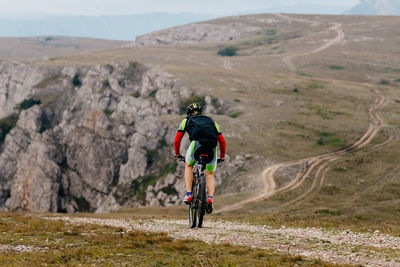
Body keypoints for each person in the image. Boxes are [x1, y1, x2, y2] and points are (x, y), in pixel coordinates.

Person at [174, 103, 226, 214]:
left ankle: (189, 195)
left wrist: (178, 153)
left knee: (188, 165)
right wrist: (222, 157)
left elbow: (177, 140)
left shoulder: (186, 120)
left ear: (188, 112)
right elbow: (222, 141)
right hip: (212, 146)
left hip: (196, 145)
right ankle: (210, 198)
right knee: (210, 174)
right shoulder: (211, 121)